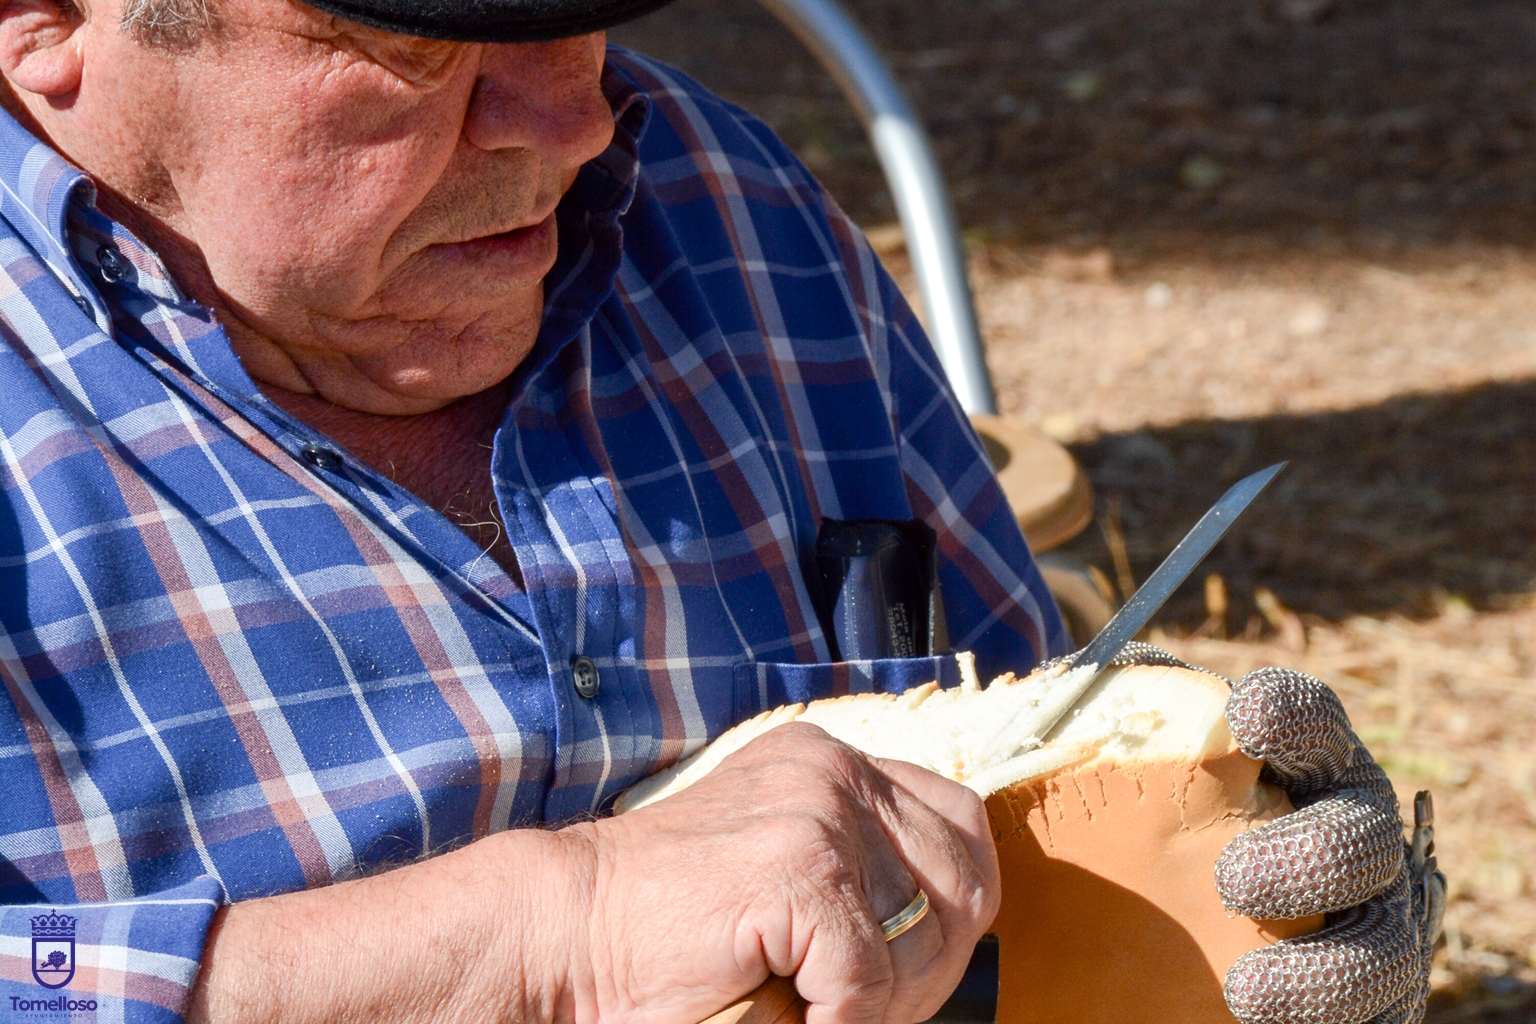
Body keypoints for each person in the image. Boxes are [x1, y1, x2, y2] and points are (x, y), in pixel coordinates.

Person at [0, 0, 1437, 1021]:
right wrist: (541, 944)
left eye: (581, 10)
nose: (567, 119)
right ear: (50, 25)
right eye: (420, 42)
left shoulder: (719, 205)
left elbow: (1023, 823)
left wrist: (1221, 897)